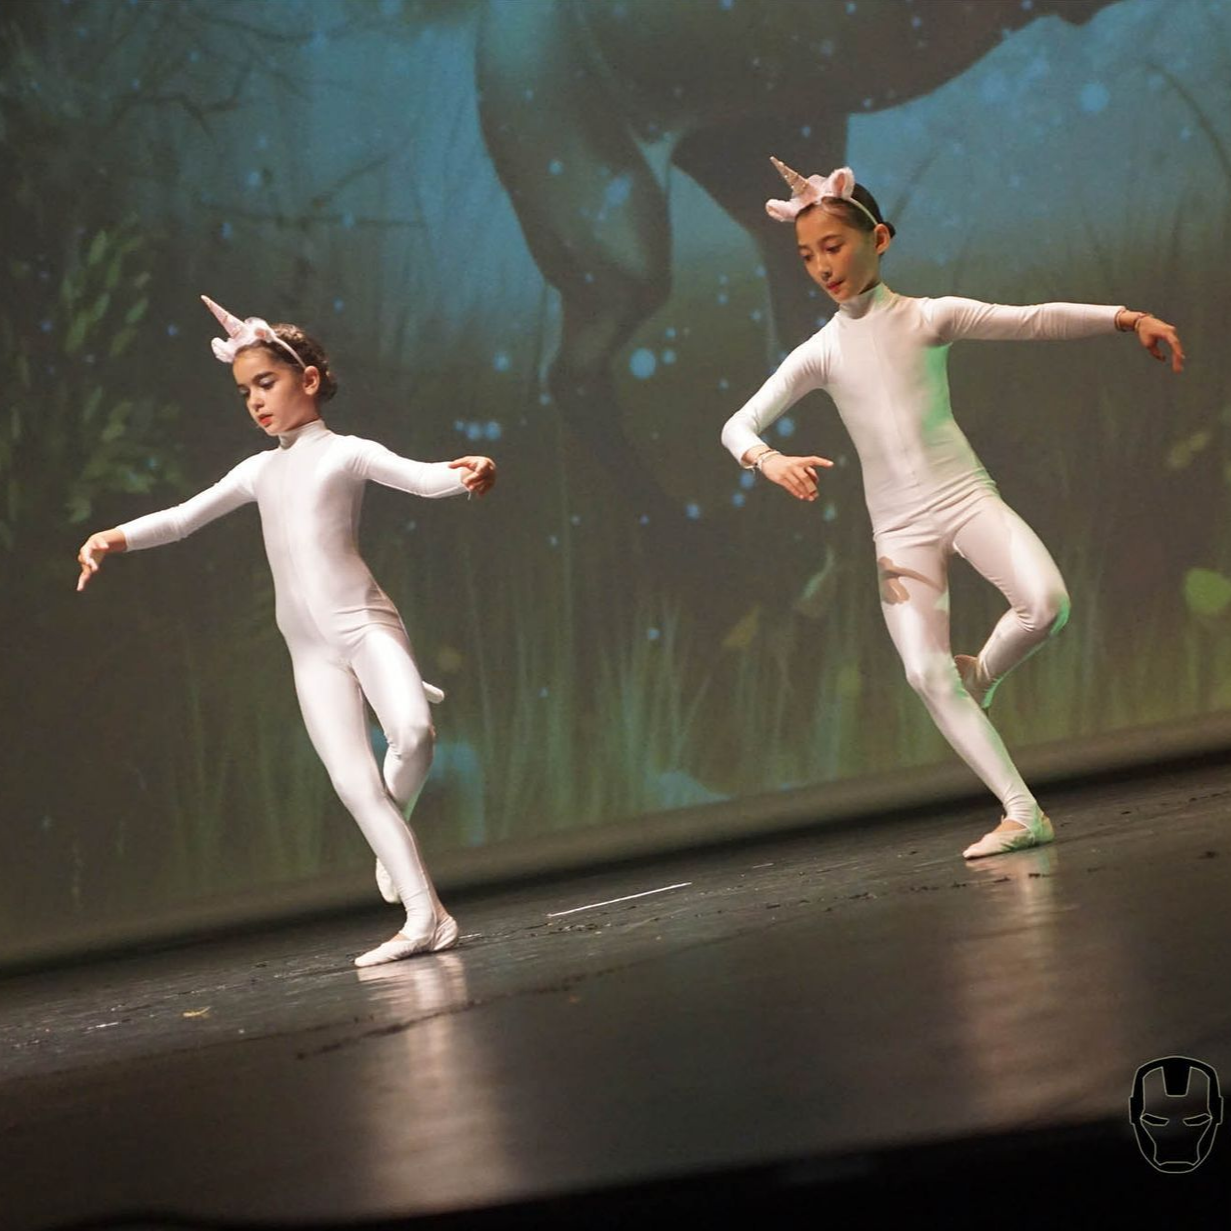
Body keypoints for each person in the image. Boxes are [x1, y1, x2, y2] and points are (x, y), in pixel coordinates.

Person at [721, 161, 1185, 858]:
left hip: (963, 496)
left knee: (1046, 603)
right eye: (807, 255)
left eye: (834, 247)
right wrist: (769, 459)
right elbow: (737, 426)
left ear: (878, 238)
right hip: (898, 532)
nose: (821, 266)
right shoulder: (818, 354)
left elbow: (1030, 321)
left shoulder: (926, 316)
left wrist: (1127, 318)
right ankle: (1022, 812)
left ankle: (982, 676)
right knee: (923, 673)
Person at [76, 296, 497, 964]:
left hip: (364, 624)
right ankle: (426, 917)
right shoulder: (257, 471)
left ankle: (398, 831)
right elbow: (184, 517)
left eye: (265, 383)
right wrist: (111, 536)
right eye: (245, 392)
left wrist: (469, 470)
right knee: (355, 785)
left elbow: (422, 479)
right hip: (309, 651)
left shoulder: (348, 453)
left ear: (307, 378)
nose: (255, 402)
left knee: (414, 734)